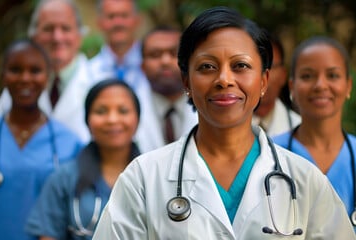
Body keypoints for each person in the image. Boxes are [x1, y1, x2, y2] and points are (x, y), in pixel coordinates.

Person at [92, 6, 355, 239]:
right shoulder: (143, 179)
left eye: (240, 65)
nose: (224, 79)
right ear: (186, 82)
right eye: (207, 67)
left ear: (263, 82)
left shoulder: (304, 179)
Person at [25, 79, 141, 239]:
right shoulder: (64, 178)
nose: (112, 119)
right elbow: (48, 234)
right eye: (101, 111)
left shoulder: (154, 174)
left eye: (123, 111)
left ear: (137, 118)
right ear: (88, 120)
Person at [0, 39, 83, 240]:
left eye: (35, 71)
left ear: (48, 77)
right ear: (3, 77)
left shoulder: (69, 143)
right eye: (15, 70)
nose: (25, 78)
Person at [273, 36, 356, 228]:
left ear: (348, 86)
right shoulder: (268, 153)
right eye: (307, 76)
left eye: (333, 75)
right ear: (292, 86)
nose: (320, 85)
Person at [0, 0, 93, 143]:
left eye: (65, 28)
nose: (57, 37)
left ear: (80, 36)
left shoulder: (100, 80)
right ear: (34, 36)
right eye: (48, 29)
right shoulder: (17, 86)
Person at [89, 0, 155, 153]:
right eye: (111, 16)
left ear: (137, 20)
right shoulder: (87, 72)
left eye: (124, 16)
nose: (118, 22)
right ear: (100, 23)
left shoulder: (155, 68)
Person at [139, 25, 198, 148]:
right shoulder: (129, 109)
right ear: (142, 66)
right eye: (155, 55)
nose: (165, 61)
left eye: (174, 53)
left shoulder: (211, 107)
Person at [252, 33, 301, 136]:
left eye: (269, 65)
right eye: (254, 65)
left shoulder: (299, 128)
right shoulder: (223, 124)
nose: (262, 74)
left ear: (283, 75)